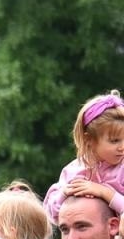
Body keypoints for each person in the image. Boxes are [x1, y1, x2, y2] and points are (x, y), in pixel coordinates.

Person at [44, 91, 124, 222]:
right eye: (114, 141)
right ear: (89, 140)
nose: (122, 147)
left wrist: (104, 192)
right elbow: (50, 215)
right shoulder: (73, 171)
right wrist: (64, 193)